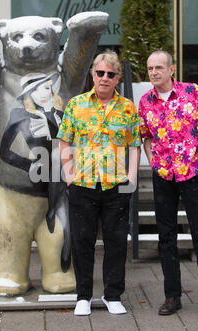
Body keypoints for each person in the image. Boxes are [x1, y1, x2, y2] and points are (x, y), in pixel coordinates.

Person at [138, 50, 198, 318]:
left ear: (171, 69)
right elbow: (146, 137)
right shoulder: (145, 102)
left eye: (159, 67)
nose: (154, 72)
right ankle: (172, 296)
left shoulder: (192, 92)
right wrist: (154, 163)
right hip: (163, 176)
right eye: (150, 68)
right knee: (166, 238)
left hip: (192, 173)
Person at [57, 49, 141, 315]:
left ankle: (112, 295)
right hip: (83, 186)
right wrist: (69, 175)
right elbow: (64, 141)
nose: (105, 77)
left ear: (117, 79)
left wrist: (132, 176)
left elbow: (135, 144)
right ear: (93, 75)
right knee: (82, 240)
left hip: (116, 186)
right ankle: (83, 296)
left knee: (117, 242)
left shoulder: (127, 107)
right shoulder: (76, 105)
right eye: (100, 72)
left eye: (111, 74)